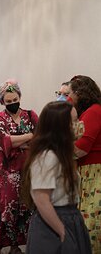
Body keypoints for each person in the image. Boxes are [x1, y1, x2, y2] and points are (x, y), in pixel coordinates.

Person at [22, 101, 91, 254]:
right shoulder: (47, 156)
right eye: (74, 121)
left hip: (70, 219)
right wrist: (62, 232)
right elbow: (41, 199)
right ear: (60, 126)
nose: (78, 124)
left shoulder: (62, 154)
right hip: (55, 222)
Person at [0, 79, 38, 254]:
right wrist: (28, 136)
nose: (12, 103)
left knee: (25, 205)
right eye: (8, 101)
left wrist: (19, 140)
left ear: (20, 97)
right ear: (2, 101)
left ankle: (15, 245)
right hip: (6, 169)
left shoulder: (30, 114)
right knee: (7, 205)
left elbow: (39, 136)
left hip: (27, 167)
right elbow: (4, 141)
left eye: (15, 99)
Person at [69, 75, 101, 254]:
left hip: (94, 172)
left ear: (80, 94)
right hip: (89, 170)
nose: (69, 98)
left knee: (91, 223)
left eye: (71, 93)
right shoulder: (90, 111)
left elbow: (80, 149)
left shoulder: (93, 112)